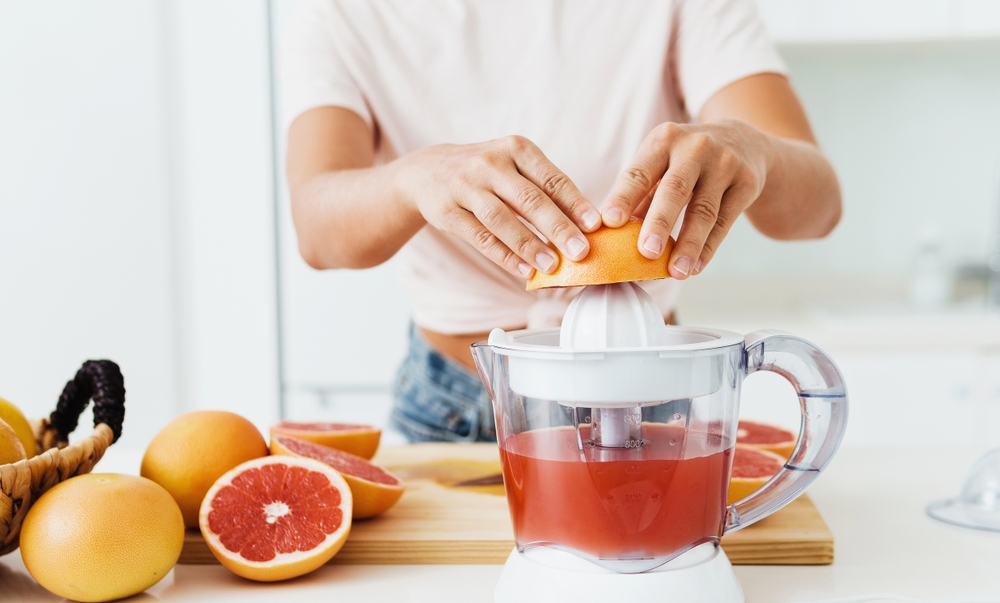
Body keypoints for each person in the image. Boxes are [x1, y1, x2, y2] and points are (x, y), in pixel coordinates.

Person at [281, 0, 842, 443]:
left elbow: (821, 207)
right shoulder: (340, 13)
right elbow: (316, 227)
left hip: (653, 391)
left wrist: (757, 151)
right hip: (455, 407)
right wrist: (412, 179)